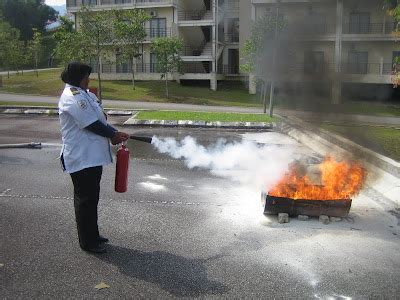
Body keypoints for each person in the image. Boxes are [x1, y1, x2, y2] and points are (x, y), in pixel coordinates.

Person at [58, 62, 129, 254]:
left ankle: (93, 235)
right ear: (78, 77)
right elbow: (90, 123)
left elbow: (100, 120)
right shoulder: (71, 97)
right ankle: (87, 242)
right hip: (81, 157)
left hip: (92, 157)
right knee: (85, 200)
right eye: (86, 76)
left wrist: (115, 132)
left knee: (92, 198)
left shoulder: (85, 94)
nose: (88, 79)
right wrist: (112, 135)